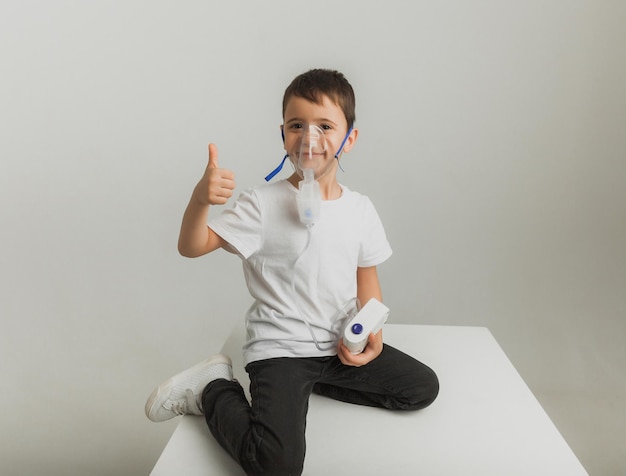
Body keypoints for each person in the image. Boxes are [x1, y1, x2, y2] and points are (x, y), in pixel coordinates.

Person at [145, 68, 439, 476]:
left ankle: (304, 388)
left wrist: (372, 330)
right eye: (297, 125)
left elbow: (366, 276)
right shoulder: (262, 204)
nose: (310, 138)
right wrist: (200, 199)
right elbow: (191, 247)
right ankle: (212, 387)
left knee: (421, 388)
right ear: (283, 133)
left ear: (349, 138)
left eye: (325, 126)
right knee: (277, 467)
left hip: (337, 346)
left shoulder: (360, 210)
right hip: (281, 349)